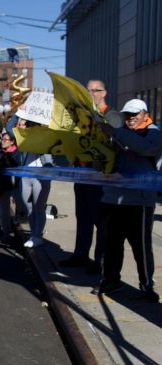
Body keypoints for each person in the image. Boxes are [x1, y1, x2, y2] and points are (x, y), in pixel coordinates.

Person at [92, 99, 161, 302]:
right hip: (112, 198)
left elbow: (144, 148)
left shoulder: (153, 132)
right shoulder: (118, 132)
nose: (130, 118)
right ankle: (111, 279)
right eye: (127, 115)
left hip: (139, 202)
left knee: (141, 246)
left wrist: (115, 131)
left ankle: (146, 285)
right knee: (112, 244)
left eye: (134, 114)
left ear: (144, 114)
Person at [60, 79, 122, 272]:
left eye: (97, 90)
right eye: (89, 91)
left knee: (100, 221)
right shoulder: (82, 116)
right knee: (83, 217)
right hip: (82, 174)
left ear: (104, 93)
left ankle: (100, 261)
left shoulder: (112, 116)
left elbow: (117, 143)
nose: (93, 93)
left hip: (100, 178)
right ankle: (80, 255)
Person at [13, 120, 54, 248]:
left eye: (31, 126)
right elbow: (10, 128)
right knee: (28, 207)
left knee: (39, 207)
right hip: (26, 175)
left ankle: (37, 236)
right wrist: (18, 113)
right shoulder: (23, 139)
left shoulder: (45, 137)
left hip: (40, 176)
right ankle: (33, 234)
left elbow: (49, 157)